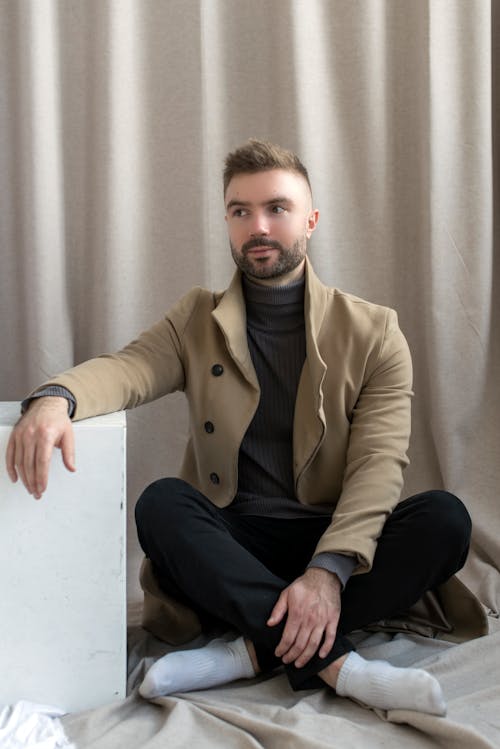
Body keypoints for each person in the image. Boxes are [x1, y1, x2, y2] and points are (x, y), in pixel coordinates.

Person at [6, 139, 485, 715]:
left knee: (445, 521)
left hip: (331, 538)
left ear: (309, 220)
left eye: (276, 209)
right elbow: (126, 369)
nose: (257, 226)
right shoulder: (197, 317)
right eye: (240, 211)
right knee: (162, 505)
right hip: (233, 543)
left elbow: (378, 465)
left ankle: (250, 653)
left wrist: (327, 572)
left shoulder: (375, 332)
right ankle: (342, 665)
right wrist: (57, 397)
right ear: (228, 221)